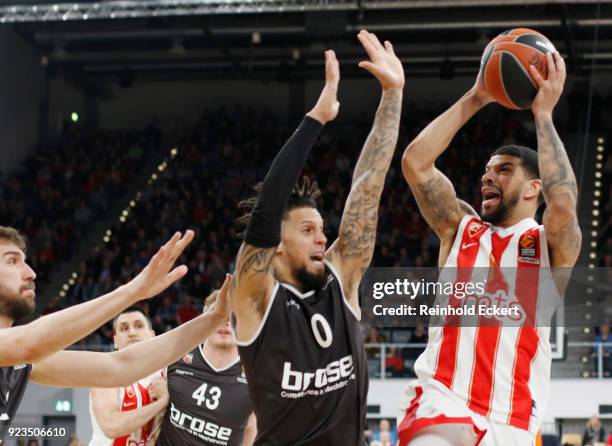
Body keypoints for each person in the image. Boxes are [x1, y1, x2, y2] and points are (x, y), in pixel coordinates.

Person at [398, 52, 581, 446]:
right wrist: (479, 95)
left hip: (513, 422)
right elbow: (416, 163)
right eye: (486, 169)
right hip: (443, 402)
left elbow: (563, 202)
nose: (487, 176)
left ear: (535, 188)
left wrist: (544, 115)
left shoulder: (548, 246)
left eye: (503, 170)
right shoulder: (459, 226)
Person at [230, 31, 404, 444]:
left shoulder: (339, 279)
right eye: (307, 231)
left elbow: (368, 186)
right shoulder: (255, 298)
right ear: (276, 243)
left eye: (322, 231)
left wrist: (393, 97)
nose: (321, 240)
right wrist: (315, 121)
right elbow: (266, 211)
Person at [0, 227, 232, 441]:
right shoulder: (22, 348)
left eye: (25, 262)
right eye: (12, 261)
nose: (30, 273)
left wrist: (212, 320)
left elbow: (121, 367)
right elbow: (26, 343)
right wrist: (132, 291)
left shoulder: (20, 361)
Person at [156, 289, 256, 446]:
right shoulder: (175, 357)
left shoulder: (255, 375)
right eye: (218, 313)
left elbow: (251, 428)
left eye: (233, 315)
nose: (225, 321)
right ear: (204, 320)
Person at [89, 308, 168, 445]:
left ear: (152, 335)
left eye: (139, 326)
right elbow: (112, 426)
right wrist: (163, 402)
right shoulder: (104, 374)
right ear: (115, 341)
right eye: (124, 328)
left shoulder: (167, 373)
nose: (132, 333)